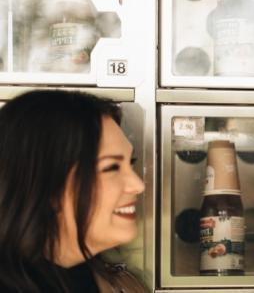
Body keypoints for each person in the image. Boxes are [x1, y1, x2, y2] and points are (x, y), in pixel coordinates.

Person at [0, 90, 146, 293]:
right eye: (112, 167)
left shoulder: (85, 276)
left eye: (130, 164)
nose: (138, 185)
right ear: (47, 183)